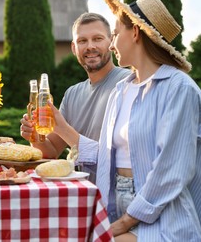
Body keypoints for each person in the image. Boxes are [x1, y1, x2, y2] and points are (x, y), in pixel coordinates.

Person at [46, 0, 201, 241]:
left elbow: (171, 172)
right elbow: (107, 158)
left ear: (136, 33)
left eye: (115, 34)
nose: (112, 43)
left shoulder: (179, 89)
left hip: (162, 215)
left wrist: (122, 223)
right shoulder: (122, 90)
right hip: (116, 205)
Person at [20, 12, 130, 182]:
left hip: (116, 198)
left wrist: (62, 127)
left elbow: (127, 158)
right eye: (82, 41)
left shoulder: (128, 83)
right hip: (81, 194)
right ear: (74, 48)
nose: (90, 46)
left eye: (98, 38)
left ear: (111, 42)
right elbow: (51, 151)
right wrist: (35, 136)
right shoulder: (72, 94)